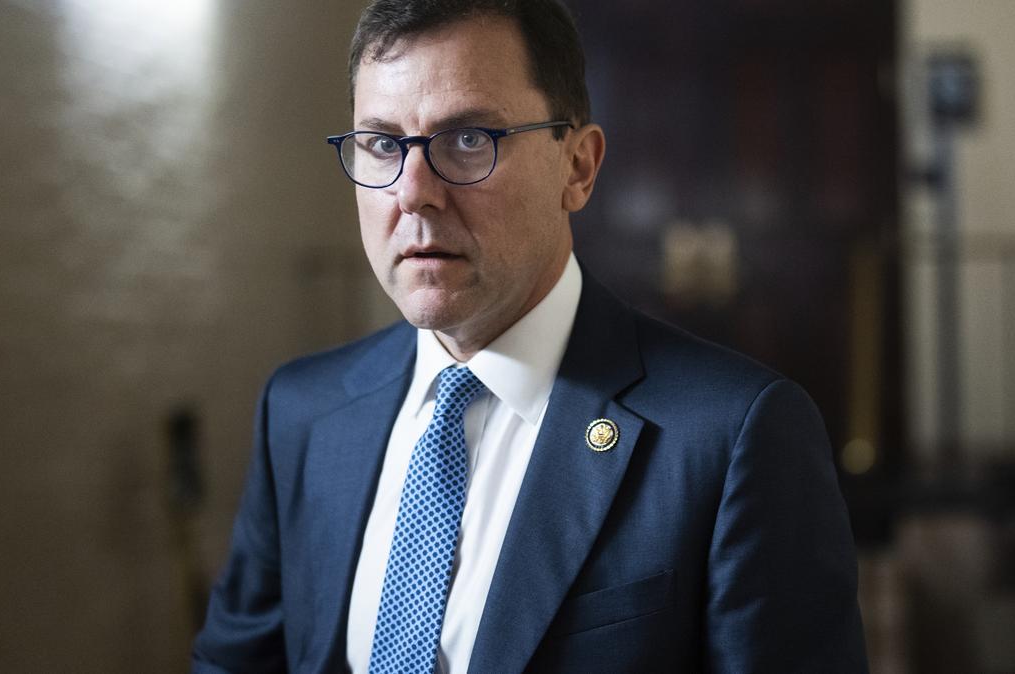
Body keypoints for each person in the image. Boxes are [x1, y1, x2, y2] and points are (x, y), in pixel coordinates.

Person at [192, 0, 868, 671]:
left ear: (578, 167)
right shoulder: (301, 412)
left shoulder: (730, 437)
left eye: (468, 140)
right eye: (382, 144)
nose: (413, 192)